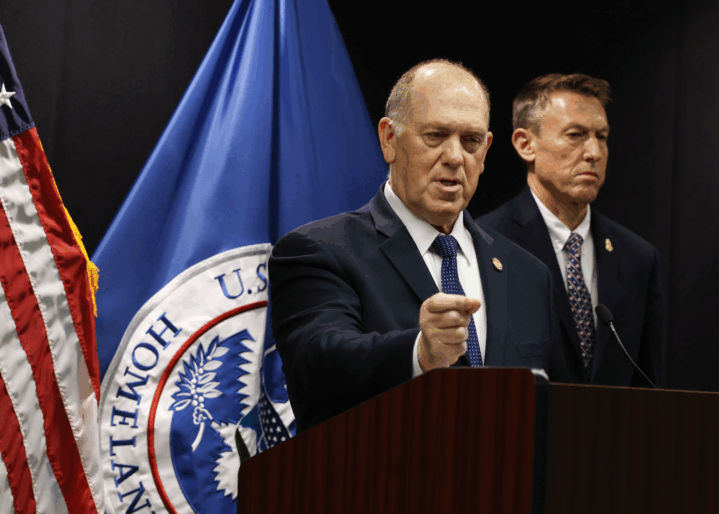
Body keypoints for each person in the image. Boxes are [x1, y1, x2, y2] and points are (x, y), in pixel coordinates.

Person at [269, 60, 568, 432]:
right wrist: (420, 353)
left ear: (486, 151)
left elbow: (554, 408)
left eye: (471, 141)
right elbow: (318, 362)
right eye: (436, 135)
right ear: (389, 139)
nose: (455, 157)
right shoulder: (319, 251)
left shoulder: (528, 274)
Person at [477, 74, 664, 387]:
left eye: (601, 136)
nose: (594, 152)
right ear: (525, 144)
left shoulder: (638, 258)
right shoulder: (484, 242)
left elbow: (650, 389)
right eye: (576, 135)